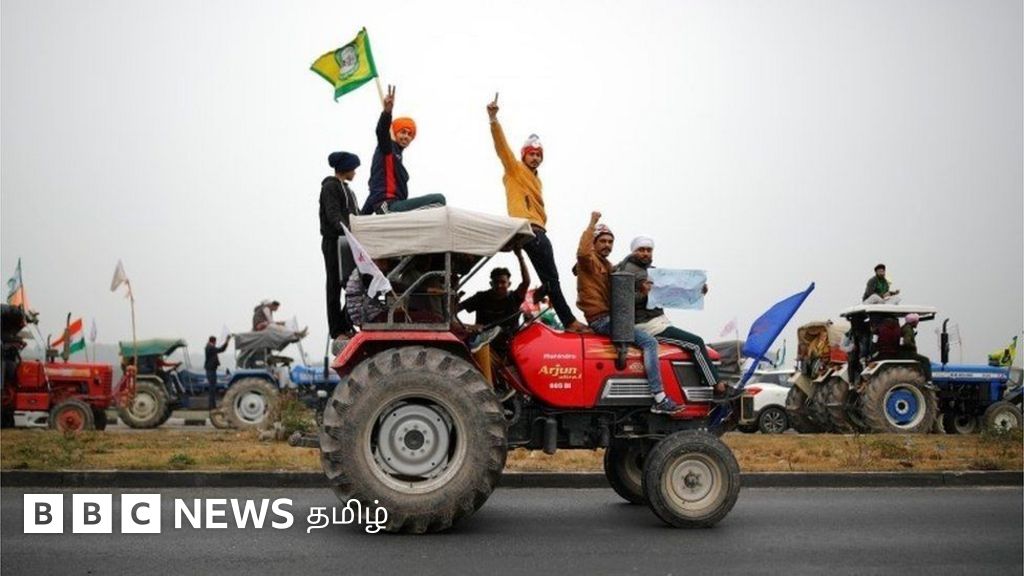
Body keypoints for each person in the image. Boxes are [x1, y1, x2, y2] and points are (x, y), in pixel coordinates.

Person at [487, 94, 587, 333]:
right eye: (532, 154)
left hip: (537, 229)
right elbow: (503, 149)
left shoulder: (535, 179)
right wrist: (493, 120)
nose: (535, 158)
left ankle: (543, 301)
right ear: (523, 155)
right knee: (553, 278)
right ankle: (569, 321)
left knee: (548, 279)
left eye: (539, 155)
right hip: (530, 229)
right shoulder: (515, 170)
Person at [574, 212, 680, 414]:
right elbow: (582, 252)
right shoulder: (588, 261)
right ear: (594, 243)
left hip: (612, 318)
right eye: (602, 241)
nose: (607, 245)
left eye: (610, 241)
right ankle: (659, 396)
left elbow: (623, 276)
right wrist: (592, 222)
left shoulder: (606, 265)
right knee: (649, 342)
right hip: (602, 319)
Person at [613, 236, 734, 398]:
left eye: (648, 250)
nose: (645, 253)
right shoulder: (630, 272)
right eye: (641, 250)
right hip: (647, 325)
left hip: (656, 321)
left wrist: (694, 291)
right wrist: (644, 293)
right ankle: (717, 386)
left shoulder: (649, 271)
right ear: (633, 251)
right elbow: (623, 301)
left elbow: (667, 292)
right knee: (696, 343)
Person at [361, 85, 446, 214]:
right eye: (403, 132)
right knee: (438, 200)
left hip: (394, 204)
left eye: (409, 134)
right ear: (394, 133)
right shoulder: (387, 148)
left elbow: (375, 189)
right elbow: (382, 131)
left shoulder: (396, 157)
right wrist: (387, 112)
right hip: (388, 206)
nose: (406, 136)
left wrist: (361, 217)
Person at [320, 151, 361, 339]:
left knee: (355, 283)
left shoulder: (349, 191)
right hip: (334, 241)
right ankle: (337, 330)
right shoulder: (330, 187)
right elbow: (333, 215)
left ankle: (346, 323)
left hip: (349, 242)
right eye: (354, 168)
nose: (356, 172)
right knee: (335, 284)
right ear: (346, 168)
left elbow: (356, 215)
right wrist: (346, 231)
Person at [459, 248, 530, 352]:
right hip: (483, 347)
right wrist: (469, 327)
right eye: (496, 282)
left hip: (510, 346)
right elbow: (454, 310)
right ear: (491, 284)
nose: (499, 285)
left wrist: (520, 256)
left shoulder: (514, 297)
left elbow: (526, 282)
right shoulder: (481, 297)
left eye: (503, 282)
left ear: (509, 284)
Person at [901, 313, 932, 381]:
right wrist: (913, 345)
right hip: (908, 354)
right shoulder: (908, 329)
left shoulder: (905, 327)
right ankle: (928, 380)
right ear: (913, 322)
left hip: (905, 353)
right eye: (917, 322)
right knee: (926, 360)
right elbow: (907, 342)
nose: (917, 323)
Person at [204, 335, 231, 410]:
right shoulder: (210, 347)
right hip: (211, 370)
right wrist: (227, 341)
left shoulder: (209, 347)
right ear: (214, 341)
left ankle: (212, 405)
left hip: (211, 370)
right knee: (212, 388)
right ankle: (212, 406)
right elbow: (221, 349)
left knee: (212, 388)